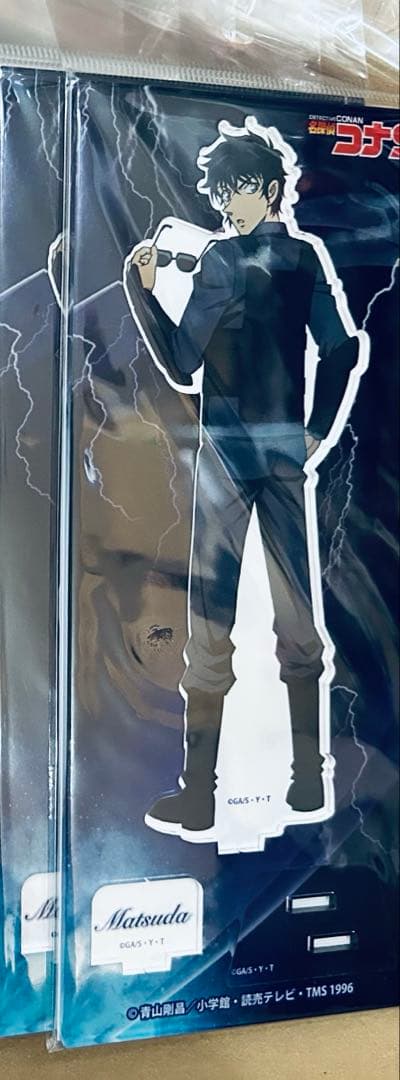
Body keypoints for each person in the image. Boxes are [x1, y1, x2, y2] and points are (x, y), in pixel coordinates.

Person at [129, 123, 361, 838]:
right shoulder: (304, 256)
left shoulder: (223, 263)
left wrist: (143, 291)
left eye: (233, 190)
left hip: (228, 459)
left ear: (264, 188)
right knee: (297, 621)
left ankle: (199, 796)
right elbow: (343, 348)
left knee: (212, 625)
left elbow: (179, 363)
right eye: (221, 192)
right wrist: (315, 430)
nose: (225, 204)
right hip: (284, 456)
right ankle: (307, 783)